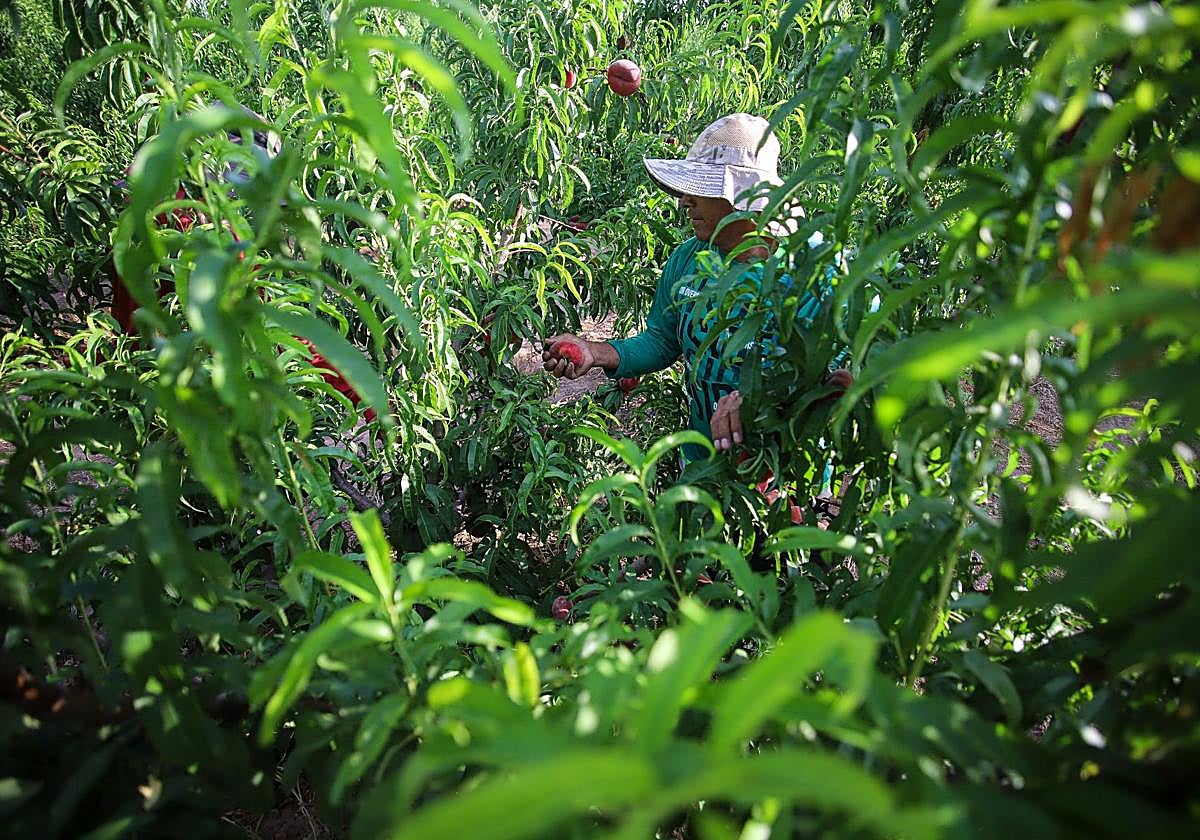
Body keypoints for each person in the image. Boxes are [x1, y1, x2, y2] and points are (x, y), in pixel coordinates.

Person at [542, 112, 850, 465]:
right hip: (701, 465)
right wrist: (598, 352)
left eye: (702, 189)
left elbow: (838, 382)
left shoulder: (815, 271)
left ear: (743, 196)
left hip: (783, 474)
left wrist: (762, 397)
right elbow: (663, 340)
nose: (685, 200)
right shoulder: (689, 259)